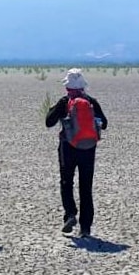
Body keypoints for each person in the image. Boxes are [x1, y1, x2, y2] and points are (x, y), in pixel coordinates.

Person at [45, 68, 108, 238]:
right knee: (86, 187)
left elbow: (48, 122)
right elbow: (105, 123)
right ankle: (85, 227)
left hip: (68, 148)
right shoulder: (91, 102)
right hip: (88, 149)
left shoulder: (65, 101)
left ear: (68, 87)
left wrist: (58, 111)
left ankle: (70, 214)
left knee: (66, 182)